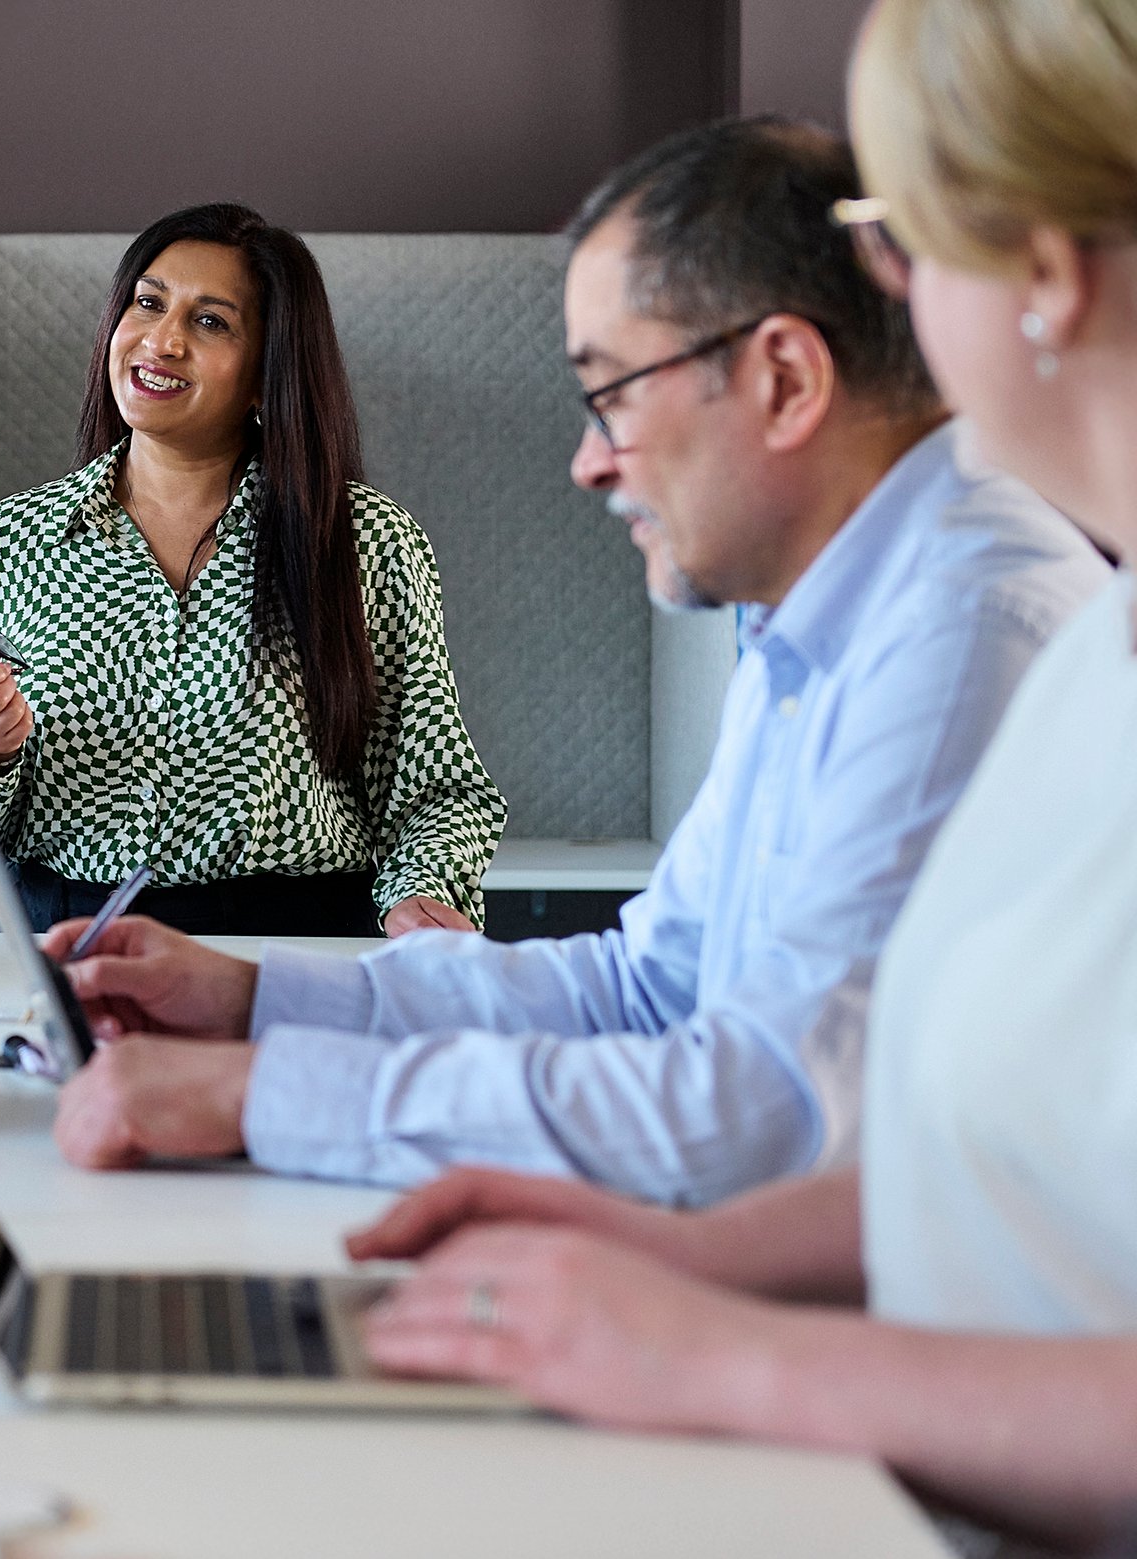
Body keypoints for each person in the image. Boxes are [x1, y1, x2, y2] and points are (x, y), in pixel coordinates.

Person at [345, 4, 1137, 1543]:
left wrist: (739, 1356)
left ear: (1041, 272)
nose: (884, 292)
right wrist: (684, 1256)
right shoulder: (1102, 647)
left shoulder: (1004, 605)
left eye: (898, 232)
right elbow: (999, 1182)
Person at [45, 119, 1107, 1207]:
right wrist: (250, 1001)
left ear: (784, 378)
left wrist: (259, 1093)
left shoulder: (962, 629)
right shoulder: (829, 619)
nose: (589, 462)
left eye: (613, 396)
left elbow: (763, 1112)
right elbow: (642, 988)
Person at [0, 203, 507, 939]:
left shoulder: (363, 540)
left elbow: (438, 791)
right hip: (63, 949)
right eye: (148, 303)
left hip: (287, 952)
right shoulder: (11, 542)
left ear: (264, 374)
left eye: (210, 322)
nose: (162, 339)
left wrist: (422, 894)